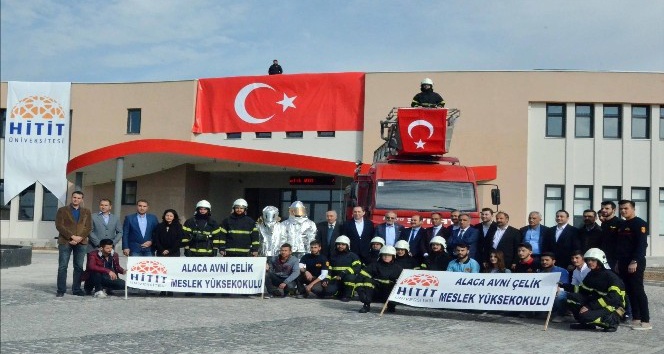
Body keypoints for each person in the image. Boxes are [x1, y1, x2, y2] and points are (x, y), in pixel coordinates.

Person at [562, 248, 626, 332]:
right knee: (570, 297)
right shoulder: (592, 273)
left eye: (593, 260)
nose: (589, 262)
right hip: (598, 302)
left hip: (614, 306)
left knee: (585, 316)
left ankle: (611, 322)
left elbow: (613, 298)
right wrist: (562, 285)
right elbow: (582, 290)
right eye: (588, 260)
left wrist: (589, 306)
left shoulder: (611, 276)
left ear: (600, 260)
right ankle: (586, 323)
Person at [616, 200, 651, 330]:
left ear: (633, 209)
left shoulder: (640, 224)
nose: (623, 211)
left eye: (626, 208)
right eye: (621, 209)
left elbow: (642, 245)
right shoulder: (622, 224)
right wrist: (618, 262)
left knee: (638, 290)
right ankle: (636, 318)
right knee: (629, 290)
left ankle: (646, 320)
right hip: (623, 261)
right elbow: (620, 246)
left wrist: (635, 261)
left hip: (635, 262)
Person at [55, 191, 92, 297]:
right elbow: (59, 226)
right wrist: (71, 236)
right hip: (65, 241)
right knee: (63, 266)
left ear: (82, 200)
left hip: (81, 242)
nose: (76, 199)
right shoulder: (62, 210)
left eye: (79, 198)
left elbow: (88, 227)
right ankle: (61, 290)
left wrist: (79, 238)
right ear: (71, 198)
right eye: (74, 197)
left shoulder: (86, 211)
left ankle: (76, 289)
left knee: (79, 266)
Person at [355, 246, 404, 314]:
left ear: (393, 256)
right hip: (375, 292)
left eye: (389, 255)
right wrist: (361, 291)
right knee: (367, 281)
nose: (386, 257)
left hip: (388, 292)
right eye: (384, 255)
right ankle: (366, 305)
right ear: (381, 255)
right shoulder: (374, 265)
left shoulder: (397, 268)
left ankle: (391, 305)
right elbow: (360, 277)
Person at [320, 236, 361, 302]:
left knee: (350, 278)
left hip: (348, 278)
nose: (340, 246)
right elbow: (329, 269)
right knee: (328, 291)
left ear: (347, 245)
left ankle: (348, 295)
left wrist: (344, 273)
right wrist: (326, 279)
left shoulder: (353, 256)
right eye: (338, 244)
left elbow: (357, 268)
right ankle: (339, 293)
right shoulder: (333, 256)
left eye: (343, 244)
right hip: (336, 279)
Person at [539, 252, 570, 323]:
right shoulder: (540, 273)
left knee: (560, 294)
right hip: (545, 297)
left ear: (553, 261)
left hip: (557, 295)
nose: (544, 262)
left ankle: (561, 315)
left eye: (547, 260)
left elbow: (564, 286)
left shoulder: (562, 271)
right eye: (542, 260)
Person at [600, 201, 622, 269]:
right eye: (602, 208)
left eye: (607, 208)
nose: (603, 210)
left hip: (615, 259)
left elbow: (622, 244)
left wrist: (618, 261)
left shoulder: (620, 223)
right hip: (604, 257)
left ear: (614, 210)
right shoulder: (603, 224)